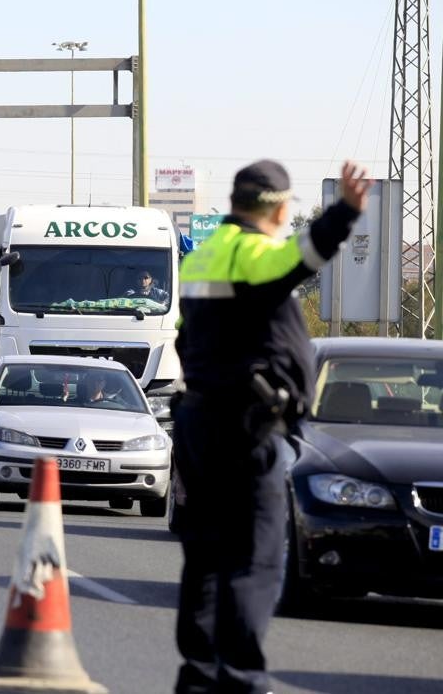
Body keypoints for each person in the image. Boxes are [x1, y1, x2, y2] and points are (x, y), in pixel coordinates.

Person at [172, 159, 369, 694]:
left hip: (199, 420)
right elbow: (302, 256)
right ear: (280, 210)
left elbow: (185, 338)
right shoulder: (252, 253)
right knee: (253, 560)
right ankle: (239, 682)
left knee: (205, 558)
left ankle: (198, 678)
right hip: (245, 427)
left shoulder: (204, 256)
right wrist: (345, 212)